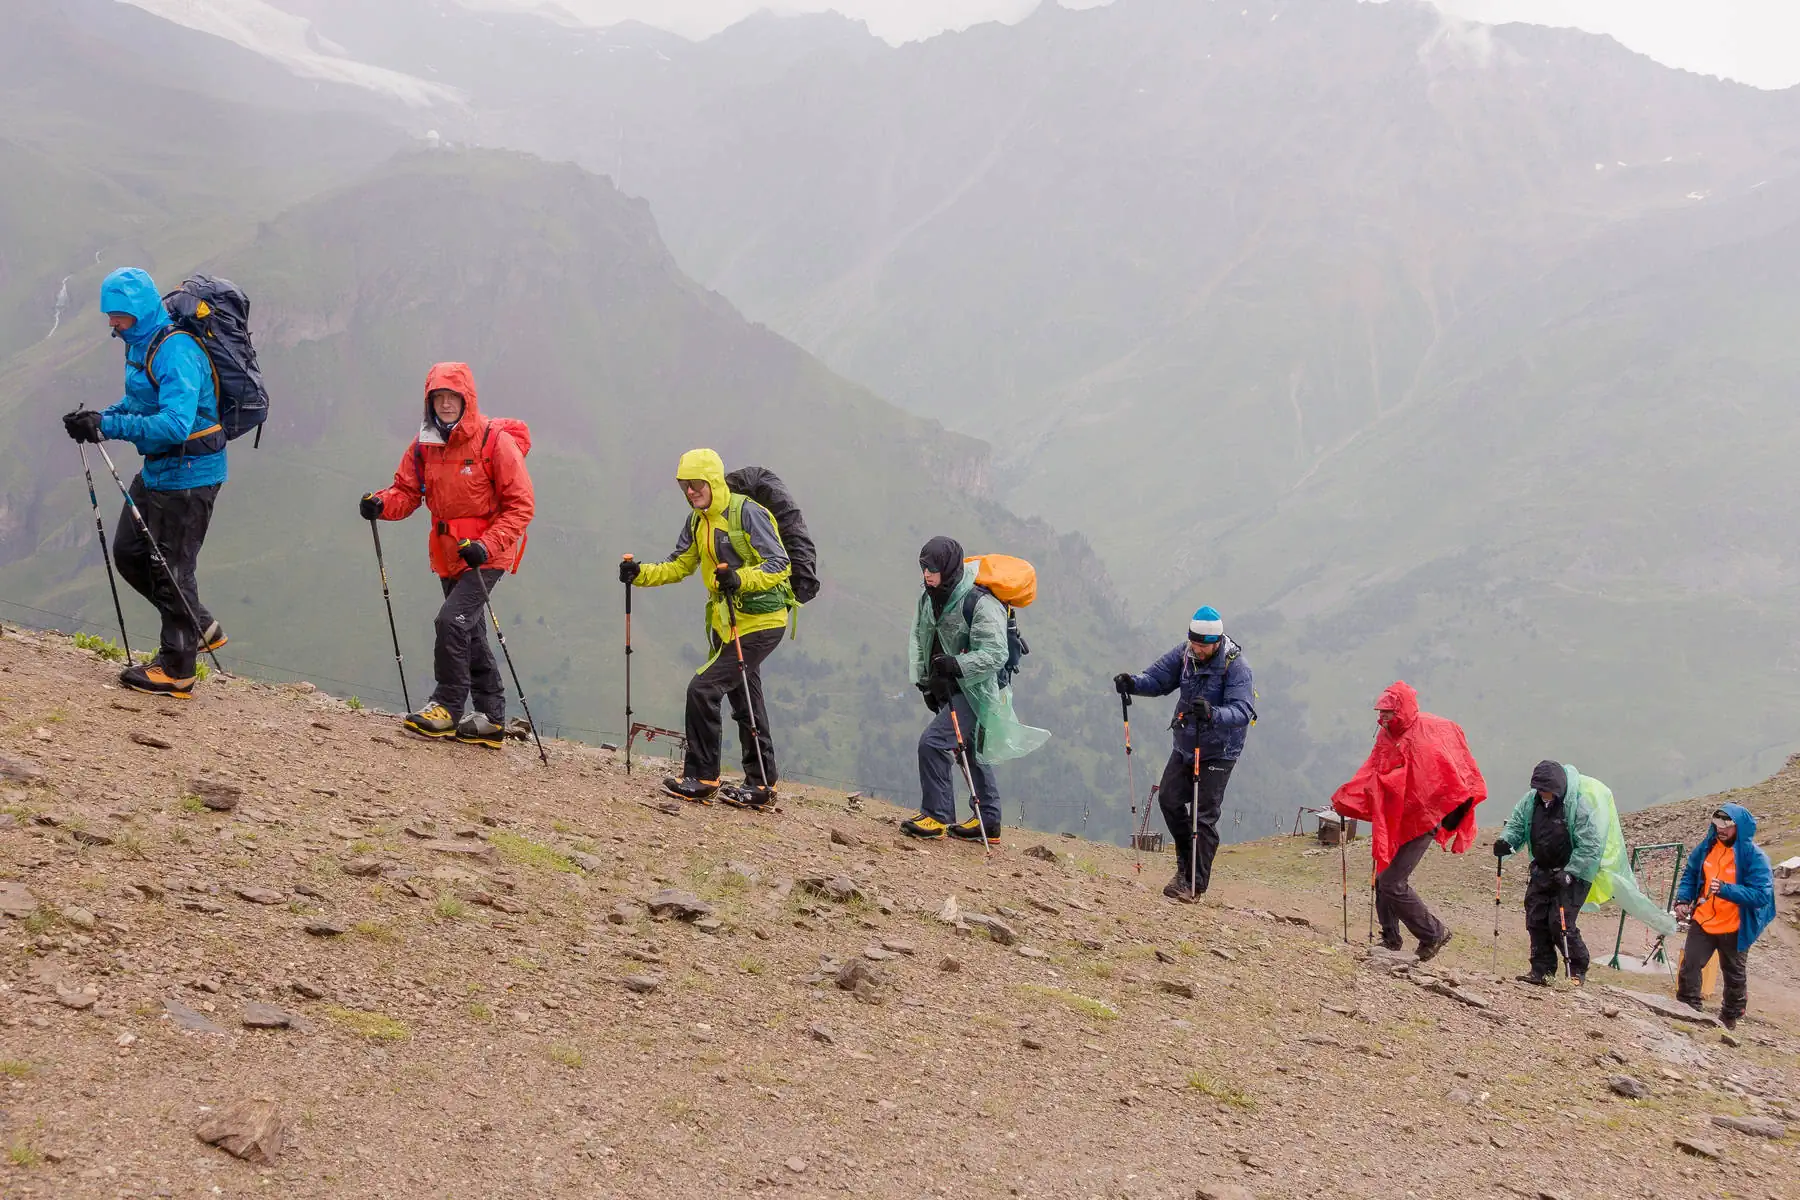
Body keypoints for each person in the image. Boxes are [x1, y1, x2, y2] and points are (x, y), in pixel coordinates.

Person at [62, 267, 228, 699]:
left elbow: (175, 424)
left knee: (172, 567)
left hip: (191, 475)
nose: (112, 323)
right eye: (110, 314)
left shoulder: (175, 350)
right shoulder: (141, 344)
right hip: (160, 469)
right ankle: (199, 624)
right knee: (130, 552)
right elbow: (139, 402)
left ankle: (177, 670)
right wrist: (97, 419)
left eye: (118, 314)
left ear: (137, 309)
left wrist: (110, 425)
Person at [360, 363, 534, 748]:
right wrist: (380, 504)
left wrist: (486, 545)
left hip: (486, 554)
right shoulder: (425, 445)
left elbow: (520, 506)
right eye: (438, 397)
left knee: (451, 621)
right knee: (469, 630)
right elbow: (407, 491)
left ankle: (447, 706)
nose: (445, 404)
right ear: (430, 402)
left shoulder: (494, 442)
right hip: (447, 552)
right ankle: (491, 719)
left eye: (452, 397)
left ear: (466, 400)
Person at [620, 449, 792, 807]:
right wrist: (640, 575)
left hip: (762, 620)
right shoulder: (698, 521)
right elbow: (679, 564)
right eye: (684, 485)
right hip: (727, 623)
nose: (690, 491)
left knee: (703, 688)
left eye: (696, 484)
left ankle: (701, 778)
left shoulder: (747, 513)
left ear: (712, 480)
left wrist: (739, 578)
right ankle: (762, 785)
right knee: (746, 698)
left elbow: (780, 564)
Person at [901, 538, 1049, 842]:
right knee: (969, 748)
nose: (927, 574)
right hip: (950, 685)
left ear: (948, 567)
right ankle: (988, 822)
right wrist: (924, 680)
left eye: (933, 568)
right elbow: (920, 636)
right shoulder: (929, 596)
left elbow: (996, 653)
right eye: (923, 568)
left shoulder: (979, 601)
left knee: (933, 743)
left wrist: (955, 665)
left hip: (978, 688)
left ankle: (936, 817)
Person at [1331, 681, 1483, 957]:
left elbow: (1440, 778)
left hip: (1425, 819)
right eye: (1380, 711)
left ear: (1401, 709)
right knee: (1383, 878)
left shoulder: (1424, 737)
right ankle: (1390, 939)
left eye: (1388, 711)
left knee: (1391, 882)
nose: (1382, 716)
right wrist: (1348, 799)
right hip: (1398, 818)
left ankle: (1434, 933)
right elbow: (1374, 773)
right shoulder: (1387, 734)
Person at [1113, 606, 1256, 901]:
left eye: (1202, 645)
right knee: (1169, 798)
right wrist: (1133, 683)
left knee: (1203, 817)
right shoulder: (1184, 654)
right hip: (1186, 744)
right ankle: (1185, 865)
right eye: (1193, 642)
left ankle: (1192, 884)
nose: (1196, 649)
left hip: (1220, 751)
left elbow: (1244, 711)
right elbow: (1157, 680)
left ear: (1217, 642)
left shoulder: (1237, 666)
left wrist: (1213, 713)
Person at [1494, 761, 1602, 985]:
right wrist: (1506, 842)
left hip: (1573, 874)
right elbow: (1516, 825)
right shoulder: (1530, 802)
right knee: (1535, 919)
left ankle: (1577, 970)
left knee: (1559, 922)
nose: (1544, 794)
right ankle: (1541, 970)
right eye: (1540, 789)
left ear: (1559, 788)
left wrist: (1571, 872)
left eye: (1548, 790)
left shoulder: (1577, 806)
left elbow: (1591, 845)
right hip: (1542, 868)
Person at [1674, 803, 1775, 1030]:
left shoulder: (1754, 857)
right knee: (1690, 964)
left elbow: (1762, 895)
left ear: (1739, 827)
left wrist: (1727, 890)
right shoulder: (1707, 848)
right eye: (1717, 823)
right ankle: (1687, 1010)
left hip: (1734, 925)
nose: (1721, 829)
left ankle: (1729, 1017)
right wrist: (1682, 900)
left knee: (1733, 975)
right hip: (1704, 918)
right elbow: (1691, 874)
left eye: (1727, 824)